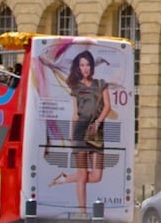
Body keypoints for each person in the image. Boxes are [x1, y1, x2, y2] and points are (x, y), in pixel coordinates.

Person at [48, 51, 114, 210]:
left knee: (97, 176)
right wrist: (71, 136)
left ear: (92, 66)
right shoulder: (76, 87)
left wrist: (98, 121)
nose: (85, 68)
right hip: (79, 132)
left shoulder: (101, 84)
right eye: (82, 65)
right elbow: (75, 113)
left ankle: (66, 179)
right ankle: (82, 211)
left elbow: (107, 107)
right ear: (79, 67)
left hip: (95, 133)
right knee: (83, 174)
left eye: (88, 65)